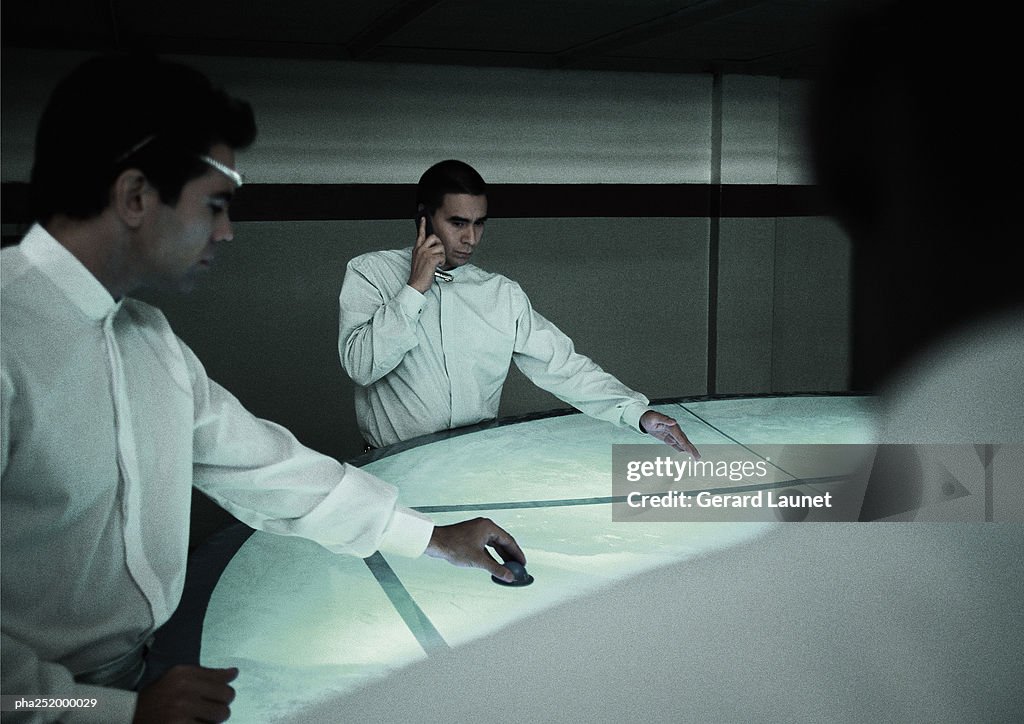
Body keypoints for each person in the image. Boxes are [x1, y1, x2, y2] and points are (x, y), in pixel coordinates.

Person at [0, 54, 524, 724]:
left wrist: (433, 538)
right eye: (215, 205)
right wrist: (108, 712)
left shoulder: (148, 339)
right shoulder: (9, 336)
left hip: (137, 676)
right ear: (135, 197)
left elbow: (268, 469)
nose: (226, 231)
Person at [337, 160, 700, 456]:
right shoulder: (370, 273)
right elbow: (362, 366)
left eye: (479, 224)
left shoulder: (500, 293)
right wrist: (415, 289)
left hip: (471, 464)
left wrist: (638, 414)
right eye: (458, 223)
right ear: (424, 218)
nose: (471, 239)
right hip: (390, 468)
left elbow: (562, 365)